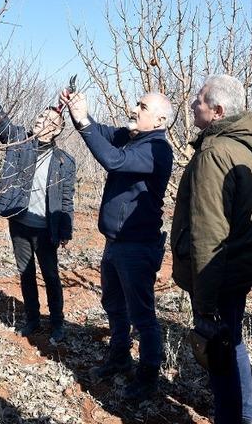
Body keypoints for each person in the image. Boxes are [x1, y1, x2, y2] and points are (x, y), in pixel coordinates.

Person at [60, 89, 173, 402]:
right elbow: (101, 133)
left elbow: (113, 160)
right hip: (116, 243)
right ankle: (119, 356)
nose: (134, 109)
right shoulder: (135, 137)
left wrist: (83, 123)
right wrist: (78, 112)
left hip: (138, 246)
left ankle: (148, 375)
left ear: (160, 119)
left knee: (143, 315)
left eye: (142, 106)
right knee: (113, 304)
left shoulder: (157, 149)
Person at [171, 75, 252, 424]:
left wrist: (205, 300)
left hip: (219, 274)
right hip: (238, 269)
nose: (192, 104)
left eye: (199, 99)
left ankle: (236, 417)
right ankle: (246, 414)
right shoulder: (245, 148)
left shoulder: (215, 153)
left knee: (219, 351)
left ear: (217, 110)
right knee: (233, 342)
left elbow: (209, 231)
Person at [0, 76, 76, 343]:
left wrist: (65, 230)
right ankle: (32, 319)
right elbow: (0, 120)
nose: (41, 122)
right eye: (40, 117)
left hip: (46, 229)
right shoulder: (20, 140)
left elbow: (67, 199)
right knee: (26, 273)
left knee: (51, 276)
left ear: (56, 130)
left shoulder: (65, 161)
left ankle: (57, 323)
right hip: (20, 222)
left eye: (48, 121)